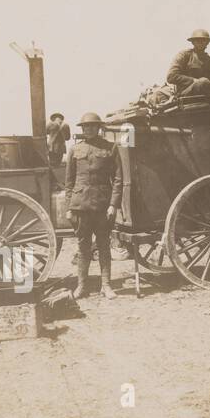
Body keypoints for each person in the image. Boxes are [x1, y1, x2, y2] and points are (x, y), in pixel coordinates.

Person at [65, 112, 123, 300]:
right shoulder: (74, 150)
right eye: (85, 126)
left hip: (102, 205)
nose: (88, 129)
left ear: (99, 127)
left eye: (92, 126)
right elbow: (69, 182)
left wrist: (113, 204)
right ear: (82, 128)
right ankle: (81, 286)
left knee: (104, 245)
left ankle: (106, 286)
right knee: (83, 247)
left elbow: (118, 179)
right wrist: (68, 208)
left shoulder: (110, 147)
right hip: (80, 206)